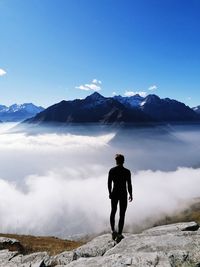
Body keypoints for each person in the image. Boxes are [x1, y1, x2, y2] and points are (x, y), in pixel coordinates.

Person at [108, 154, 132, 243]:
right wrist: (131, 194)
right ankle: (119, 234)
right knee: (122, 214)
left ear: (116, 161)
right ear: (123, 161)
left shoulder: (112, 170)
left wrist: (110, 193)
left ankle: (113, 231)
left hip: (114, 193)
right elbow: (129, 184)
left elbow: (109, 183)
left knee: (113, 211)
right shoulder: (127, 171)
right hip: (123, 194)